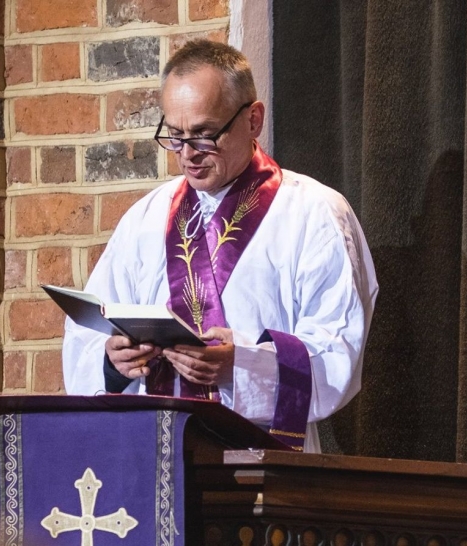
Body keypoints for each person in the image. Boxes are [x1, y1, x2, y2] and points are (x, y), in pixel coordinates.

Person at [62, 40, 378, 453]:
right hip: (151, 461)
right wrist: (113, 360)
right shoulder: (145, 219)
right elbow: (86, 336)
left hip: (261, 462)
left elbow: (337, 352)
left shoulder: (315, 214)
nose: (188, 155)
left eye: (205, 135)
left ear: (254, 120)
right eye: (175, 136)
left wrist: (238, 363)